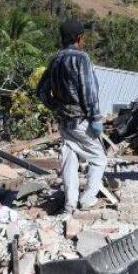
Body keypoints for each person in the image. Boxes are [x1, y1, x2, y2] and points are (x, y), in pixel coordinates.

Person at [35, 19, 107, 212]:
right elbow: (88, 91)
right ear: (79, 38)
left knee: (70, 157)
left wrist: (56, 107)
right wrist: (95, 118)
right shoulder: (81, 58)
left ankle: (69, 203)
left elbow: (41, 91)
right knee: (99, 159)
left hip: (64, 121)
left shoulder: (55, 59)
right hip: (81, 120)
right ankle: (87, 199)